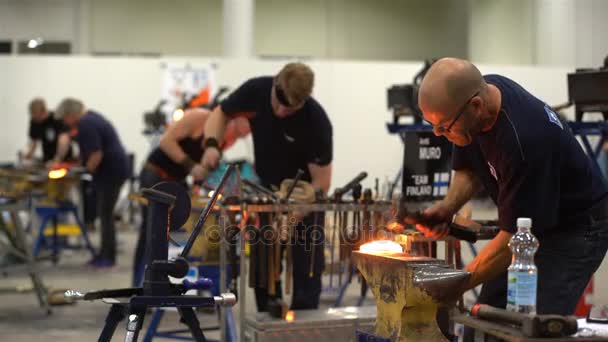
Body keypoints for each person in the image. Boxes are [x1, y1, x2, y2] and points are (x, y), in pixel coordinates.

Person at [415, 58, 608, 322]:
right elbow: (470, 168)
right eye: (432, 126)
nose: (438, 134)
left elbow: (512, 241)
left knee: (537, 322)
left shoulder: (524, 141)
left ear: (476, 106)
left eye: (443, 127)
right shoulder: (475, 101)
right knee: (486, 315)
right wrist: (447, 207)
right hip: (531, 222)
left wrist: (456, 284)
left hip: (575, 228)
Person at [202, 62, 333, 311]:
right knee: (263, 270)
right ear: (275, 82)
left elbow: (321, 183)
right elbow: (221, 113)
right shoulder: (256, 91)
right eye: (278, 103)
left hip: (302, 201)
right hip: (266, 195)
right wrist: (211, 144)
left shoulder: (316, 123)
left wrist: (293, 216)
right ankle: (268, 315)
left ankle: (304, 328)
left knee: (307, 271)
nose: (282, 112)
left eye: (290, 108)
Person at [132, 107, 250, 286]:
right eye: (239, 131)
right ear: (234, 118)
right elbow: (166, 142)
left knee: (173, 232)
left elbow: (204, 164)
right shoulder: (198, 118)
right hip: (156, 175)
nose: (237, 137)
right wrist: (190, 165)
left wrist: (200, 180)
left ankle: (190, 284)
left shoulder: (226, 138)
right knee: (151, 232)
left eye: (240, 136)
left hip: (177, 181)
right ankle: (140, 285)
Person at [56, 98, 131, 268]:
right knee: (105, 214)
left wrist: (83, 170)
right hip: (114, 170)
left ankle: (107, 257)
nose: (65, 123)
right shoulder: (92, 117)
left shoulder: (86, 124)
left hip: (111, 173)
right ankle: (104, 254)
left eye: (64, 119)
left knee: (105, 215)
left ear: (70, 114)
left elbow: (96, 155)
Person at [23, 98, 73, 164]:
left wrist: (57, 160)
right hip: (47, 159)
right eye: (34, 117)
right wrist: (28, 155)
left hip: (64, 159)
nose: (36, 120)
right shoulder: (34, 121)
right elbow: (34, 141)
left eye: (37, 117)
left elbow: (64, 140)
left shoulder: (57, 119)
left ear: (44, 111)